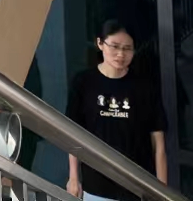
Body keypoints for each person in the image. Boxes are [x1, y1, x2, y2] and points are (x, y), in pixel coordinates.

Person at [66, 20, 167, 201]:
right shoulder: (84, 82)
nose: (121, 54)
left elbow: (158, 145)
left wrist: (162, 191)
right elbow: (73, 134)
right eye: (114, 46)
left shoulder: (145, 87)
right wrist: (74, 177)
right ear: (100, 43)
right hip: (95, 187)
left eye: (127, 48)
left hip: (137, 188)